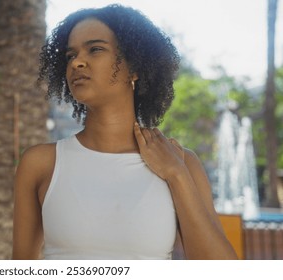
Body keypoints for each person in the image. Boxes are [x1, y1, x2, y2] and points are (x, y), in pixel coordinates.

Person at [12, 4, 237, 260]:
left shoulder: (182, 163)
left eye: (95, 49)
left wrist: (176, 174)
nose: (77, 62)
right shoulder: (41, 163)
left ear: (134, 68)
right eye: (70, 55)